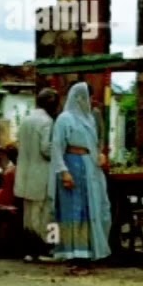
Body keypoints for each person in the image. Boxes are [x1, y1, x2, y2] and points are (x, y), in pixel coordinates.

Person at [49, 82, 112, 270]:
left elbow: (94, 143)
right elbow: (57, 147)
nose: (91, 102)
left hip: (89, 167)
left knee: (90, 208)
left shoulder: (90, 118)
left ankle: (88, 251)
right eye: (88, 97)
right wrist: (64, 172)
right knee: (72, 210)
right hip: (72, 166)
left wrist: (99, 155)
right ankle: (73, 253)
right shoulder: (65, 119)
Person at [14, 88, 59, 254]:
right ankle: (42, 248)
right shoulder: (47, 122)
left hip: (25, 173)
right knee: (44, 213)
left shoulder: (26, 119)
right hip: (41, 173)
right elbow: (46, 149)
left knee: (29, 214)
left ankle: (28, 250)